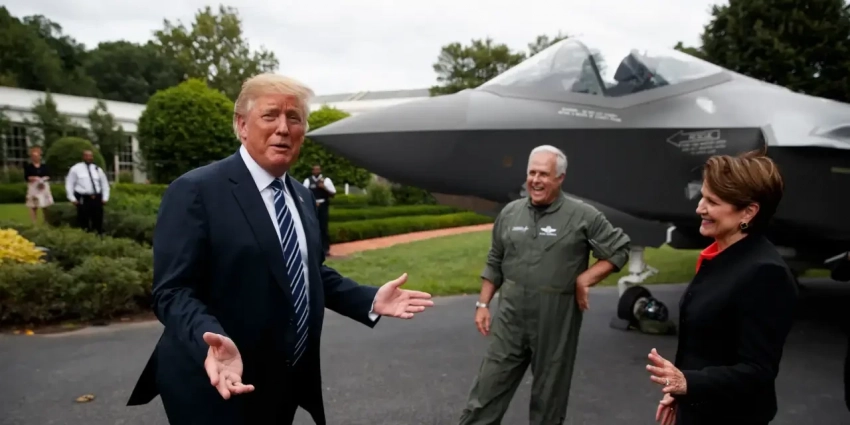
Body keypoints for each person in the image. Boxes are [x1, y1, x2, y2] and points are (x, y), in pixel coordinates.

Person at [126, 73, 435, 425]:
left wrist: (368, 298)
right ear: (242, 125)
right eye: (270, 115)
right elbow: (172, 291)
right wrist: (209, 338)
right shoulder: (196, 191)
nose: (283, 128)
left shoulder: (301, 196)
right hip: (213, 381)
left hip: (280, 383)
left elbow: (305, 271)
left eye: (294, 118)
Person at [458, 145, 631, 425]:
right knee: (485, 393)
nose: (535, 180)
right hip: (511, 318)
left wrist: (585, 278)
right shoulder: (511, 213)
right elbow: (495, 260)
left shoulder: (582, 215)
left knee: (548, 401)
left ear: (560, 178)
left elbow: (618, 249)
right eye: (532, 173)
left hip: (556, 321)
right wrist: (483, 303)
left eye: (544, 174)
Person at [645, 148, 798, 425]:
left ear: (748, 212)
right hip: (699, 410)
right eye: (702, 196)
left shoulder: (765, 273)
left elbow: (757, 371)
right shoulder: (722, 257)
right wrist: (683, 393)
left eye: (712, 201)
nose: (699, 208)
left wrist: (687, 382)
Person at [65, 150, 110, 234]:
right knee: (84, 220)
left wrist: (105, 197)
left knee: (98, 220)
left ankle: (98, 236)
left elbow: (104, 184)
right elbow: (69, 184)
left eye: (91, 156)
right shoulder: (76, 169)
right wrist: (72, 198)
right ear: (83, 157)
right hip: (83, 198)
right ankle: (85, 237)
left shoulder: (97, 169)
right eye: (87, 156)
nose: (89, 158)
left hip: (96, 197)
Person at [303, 164, 335, 255]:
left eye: (318, 169)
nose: (316, 171)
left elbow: (333, 193)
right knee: (312, 227)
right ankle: (313, 249)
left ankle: (325, 249)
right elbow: (303, 194)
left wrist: (324, 187)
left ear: (320, 170)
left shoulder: (326, 180)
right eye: (314, 169)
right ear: (312, 171)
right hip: (312, 205)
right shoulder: (308, 181)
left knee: (323, 227)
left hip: (323, 205)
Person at [22, 146, 53, 223]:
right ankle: (34, 223)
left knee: (46, 205)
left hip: (43, 186)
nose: (35, 158)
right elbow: (27, 177)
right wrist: (33, 178)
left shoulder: (44, 166)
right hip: (34, 187)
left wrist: (44, 179)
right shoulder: (29, 167)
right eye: (34, 156)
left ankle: (46, 221)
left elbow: (49, 175)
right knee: (33, 206)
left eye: (37, 156)